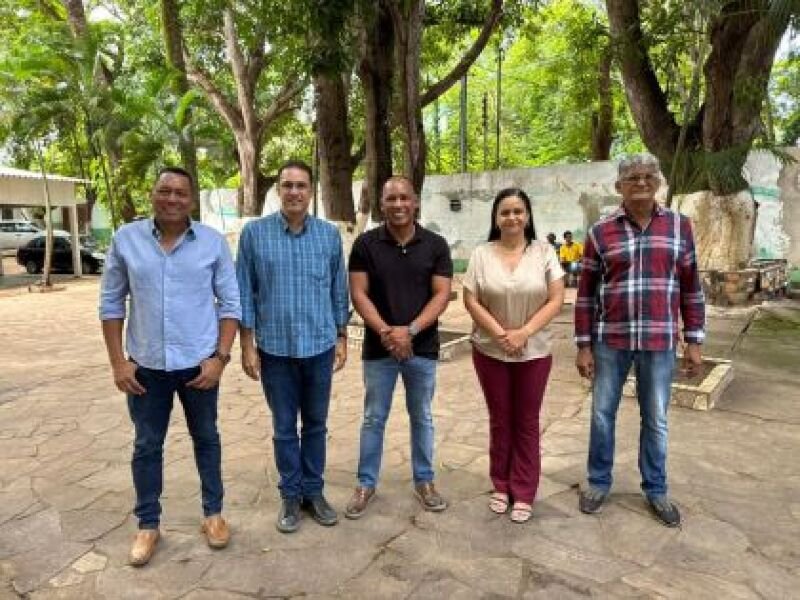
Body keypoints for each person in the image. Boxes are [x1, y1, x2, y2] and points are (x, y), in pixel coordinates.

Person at [99, 166, 241, 566]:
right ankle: (148, 524)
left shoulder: (212, 242)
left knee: (207, 438)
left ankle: (213, 514)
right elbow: (111, 303)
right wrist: (118, 363)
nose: (172, 199)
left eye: (181, 193)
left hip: (200, 366)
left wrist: (220, 358)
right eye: (165, 191)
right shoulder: (126, 240)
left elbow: (231, 304)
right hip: (145, 368)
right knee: (147, 445)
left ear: (191, 200)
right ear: (153, 194)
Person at [575, 153, 705, 527]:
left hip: (659, 340)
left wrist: (694, 339)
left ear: (659, 182)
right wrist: (583, 346)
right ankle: (598, 482)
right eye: (633, 177)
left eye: (649, 175)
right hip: (610, 340)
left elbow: (691, 287)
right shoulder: (600, 232)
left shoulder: (680, 227)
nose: (642, 182)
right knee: (602, 414)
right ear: (619, 186)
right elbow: (585, 294)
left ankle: (656, 489)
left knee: (656, 419)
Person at [236, 160, 349, 534]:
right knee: (284, 428)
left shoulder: (328, 236)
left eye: (301, 186)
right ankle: (290, 494)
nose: (294, 192)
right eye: (287, 185)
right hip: (275, 350)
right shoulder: (254, 235)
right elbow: (244, 293)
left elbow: (338, 290)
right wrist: (247, 345)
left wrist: (341, 337)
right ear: (278, 190)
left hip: (319, 346)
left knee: (315, 425)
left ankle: (313, 493)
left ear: (311, 191)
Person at [345, 176, 453, 519]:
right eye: (391, 199)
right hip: (379, 350)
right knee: (373, 418)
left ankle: (425, 481)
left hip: (423, 348)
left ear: (415, 201)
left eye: (404, 198)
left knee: (422, 416)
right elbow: (358, 293)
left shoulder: (435, 245)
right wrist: (386, 332)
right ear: (382, 204)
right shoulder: (365, 245)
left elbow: (441, 295)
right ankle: (366, 483)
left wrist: (411, 331)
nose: (398, 204)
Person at [463, 188, 565, 523]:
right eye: (505, 212)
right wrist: (500, 333)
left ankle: (523, 489)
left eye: (518, 211)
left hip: (534, 352)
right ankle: (501, 484)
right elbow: (470, 299)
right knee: (500, 419)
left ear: (528, 216)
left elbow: (556, 299)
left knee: (526, 421)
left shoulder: (544, 252)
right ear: (496, 217)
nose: (512, 218)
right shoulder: (481, 254)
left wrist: (524, 332)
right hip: (489, 350)